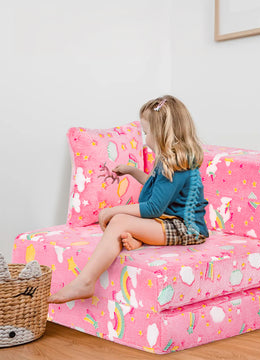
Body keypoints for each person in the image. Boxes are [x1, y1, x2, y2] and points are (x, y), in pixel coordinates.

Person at [48, 95, 209, 304]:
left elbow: (153, 208)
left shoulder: (176, 165)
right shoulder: (172, 160)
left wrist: (113, 211)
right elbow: (156, 187)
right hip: (170, 220)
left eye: (146, 132)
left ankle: (85, 282)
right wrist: (132, 171)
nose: (145, 138)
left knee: (120, 221)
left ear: (160, 134)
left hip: (187, 228)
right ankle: (138, 239)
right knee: (124, 226)